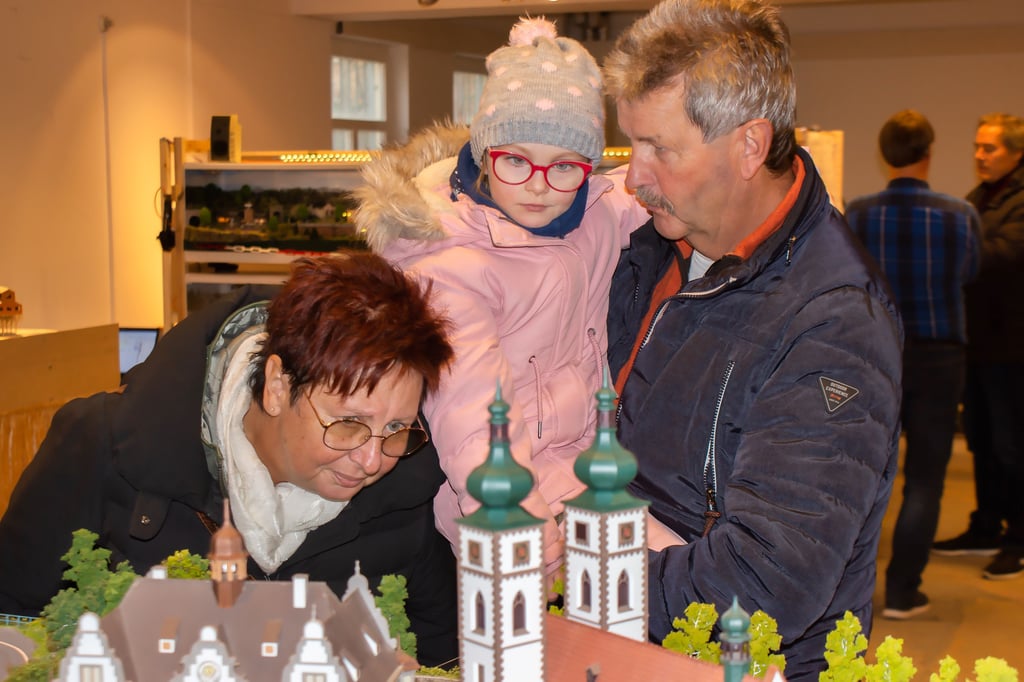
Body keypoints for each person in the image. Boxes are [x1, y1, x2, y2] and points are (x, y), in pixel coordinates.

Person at [602, 0, 902, 678]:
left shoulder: (834, 320)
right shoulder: (656, 249)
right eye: (630, 144)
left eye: (660, 149)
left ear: (748, 144)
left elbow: (768, 584)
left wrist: (584, 572)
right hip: (633, 645)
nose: (632, 176)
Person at [0, 253, 459, 667]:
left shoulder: (407, 492)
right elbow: (12, 630)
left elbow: (449, 655)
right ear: (277, 385)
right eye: (348, 424)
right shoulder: (101, 447)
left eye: (397, 428)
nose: (373, 458)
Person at [353, 17, 649, 580]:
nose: (539, 186)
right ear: (485, 153)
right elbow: (468, 411)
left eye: (564, 167)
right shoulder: (451, 263)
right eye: (517, 161)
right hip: (503, 497)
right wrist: (521, 529)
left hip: (589, 468)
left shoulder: (592, 213)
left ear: (587, 170)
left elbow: (657, 191)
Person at [846, 110, 981, 618]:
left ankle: (850, 591)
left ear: (885, 154)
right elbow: (971, 272)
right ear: (929, 151)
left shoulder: (857, 214)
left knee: (864, 473)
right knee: (926, 476)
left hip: (876, 353)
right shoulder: (959, 214)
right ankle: (904, 590)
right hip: (941, 357)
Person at [932, 112, 1024, 581]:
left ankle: (1017, 538)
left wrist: (953, 249)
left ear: (1016, 152)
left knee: (1012, 447)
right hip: (982, 344)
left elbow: (1005, 254)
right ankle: (985, 526)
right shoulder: (979, 197)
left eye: (989, 148)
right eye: (977, 147)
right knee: (984, 443)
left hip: (1013, 347)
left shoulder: (1019, 199)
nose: (979, 156)